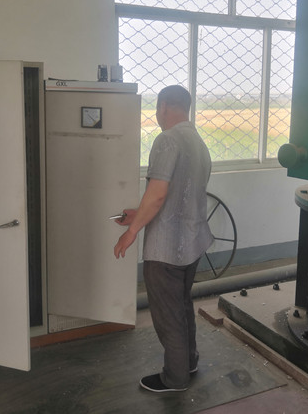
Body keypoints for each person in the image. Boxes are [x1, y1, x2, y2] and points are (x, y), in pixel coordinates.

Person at [113, 84, 213, 393]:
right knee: (181, 306)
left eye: (158, 109)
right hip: (192, 243)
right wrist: (137, 215)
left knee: (168, 316)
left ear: (164, 107)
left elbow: (157, 195)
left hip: (166, 249)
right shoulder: (198, 142)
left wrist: (132, 232)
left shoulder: (167, 140)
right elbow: (178, 196)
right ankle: (189, 362)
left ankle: (175, 378)